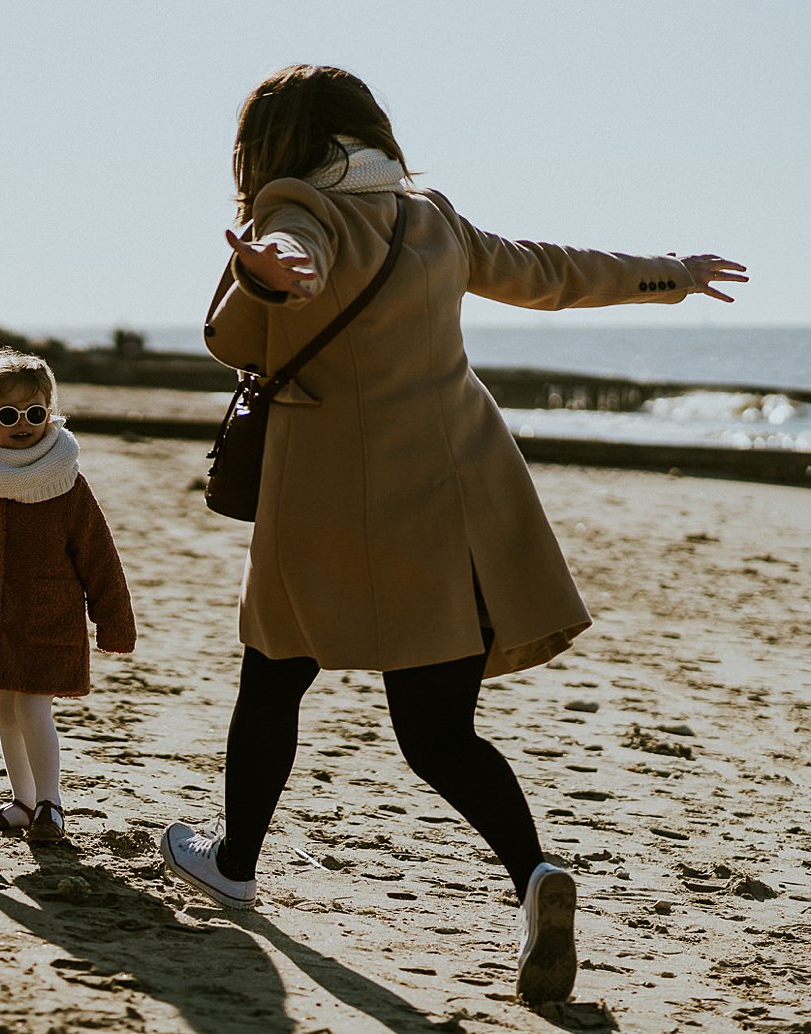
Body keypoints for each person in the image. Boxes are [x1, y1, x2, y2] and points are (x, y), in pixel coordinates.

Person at [157, 64, 747, 1006]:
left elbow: (251, 309)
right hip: (459, 496)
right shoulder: (429, 218)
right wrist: (668, 276)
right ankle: (534, 878)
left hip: (330, 506)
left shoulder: (293, 209)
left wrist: (268, 273)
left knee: (273, 671)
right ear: (372, 132)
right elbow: (547, 273)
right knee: (437, 731)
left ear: (272, 144)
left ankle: (231, 863)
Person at [0, 349, 136, 843]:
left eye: (35, 414)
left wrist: (114, 622)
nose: (23, 425)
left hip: (46, 620)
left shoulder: (66, 481)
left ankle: (51, 805)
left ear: (50, 415)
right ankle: (23, 801)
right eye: (8, 416)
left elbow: (99, 556)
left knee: (33, 708)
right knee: (5, 708)